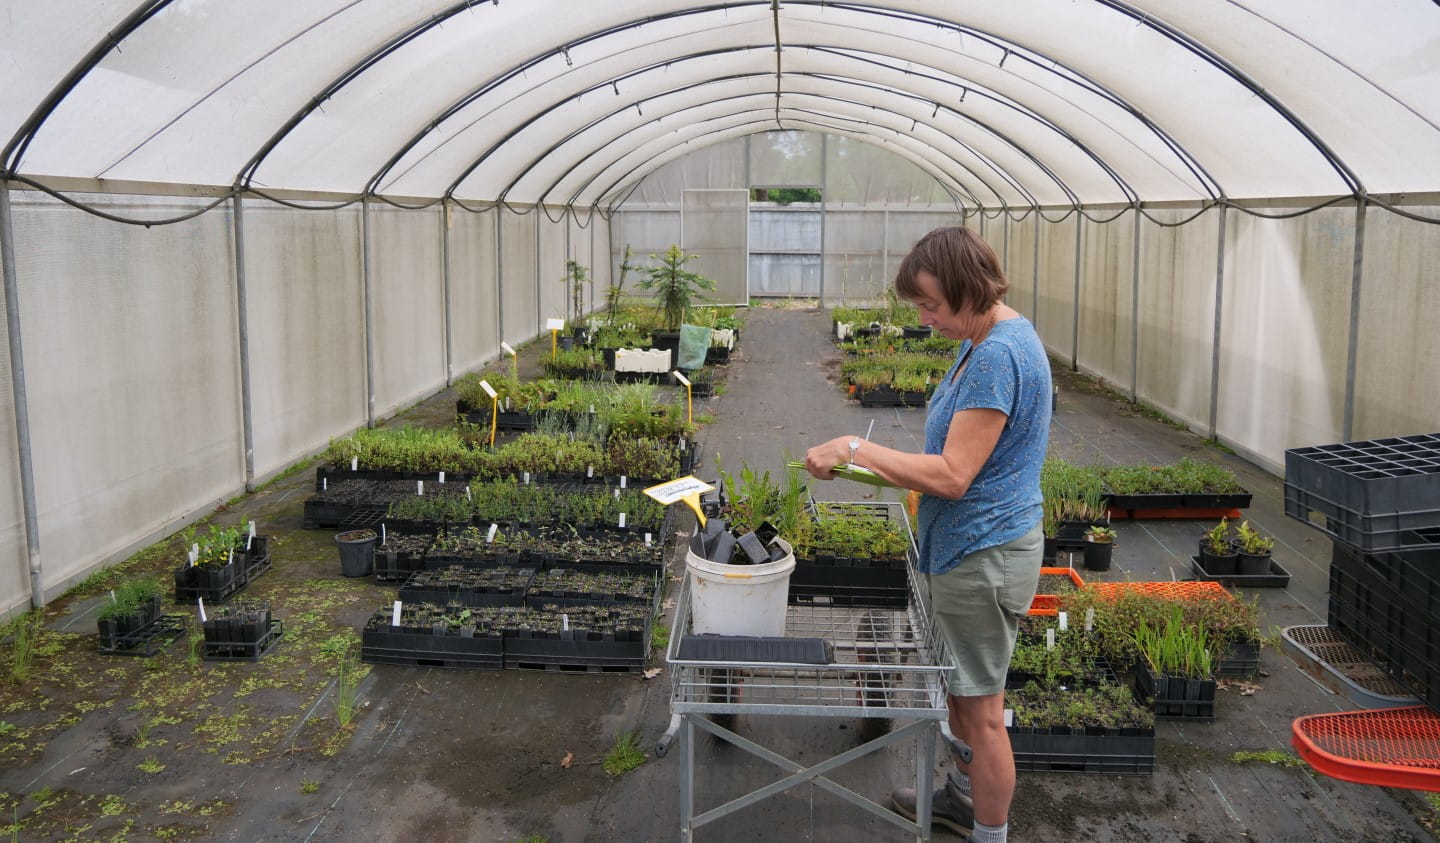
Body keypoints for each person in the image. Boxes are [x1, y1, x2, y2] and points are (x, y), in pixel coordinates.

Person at [804, 226, 1051, 843]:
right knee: (963, 695)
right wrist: (869, 466)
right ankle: (960, 798)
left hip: (983, 552)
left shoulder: (998, 355)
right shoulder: (990, 336)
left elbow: (955, 474)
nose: (924, 318)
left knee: (982, 712)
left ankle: (987, 832)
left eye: (930, 304)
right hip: (969, 548)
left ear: (968, 290)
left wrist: (857, 447)